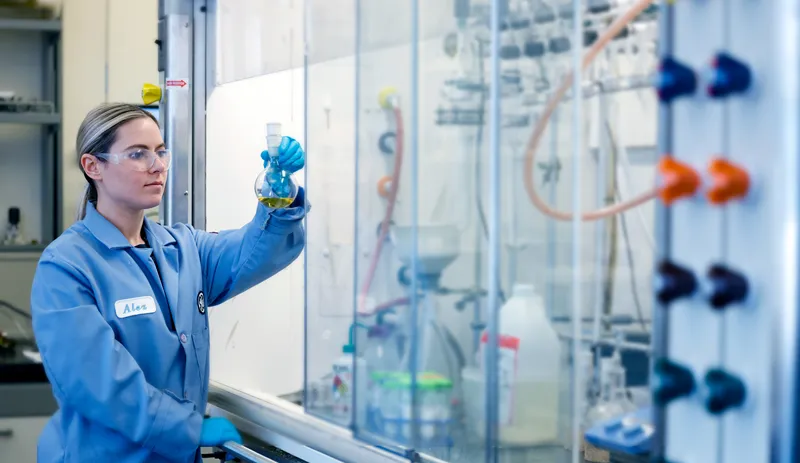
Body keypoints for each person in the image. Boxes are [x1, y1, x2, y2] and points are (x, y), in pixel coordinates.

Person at [29, 103, 307, 463]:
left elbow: (256, 252)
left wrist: (281, 195)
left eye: (161, 152)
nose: (157, 165)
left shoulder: (184, 247)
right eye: (137, 154)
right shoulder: (66, 266)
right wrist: (191, 429)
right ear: (92, 166)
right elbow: (101, 383)